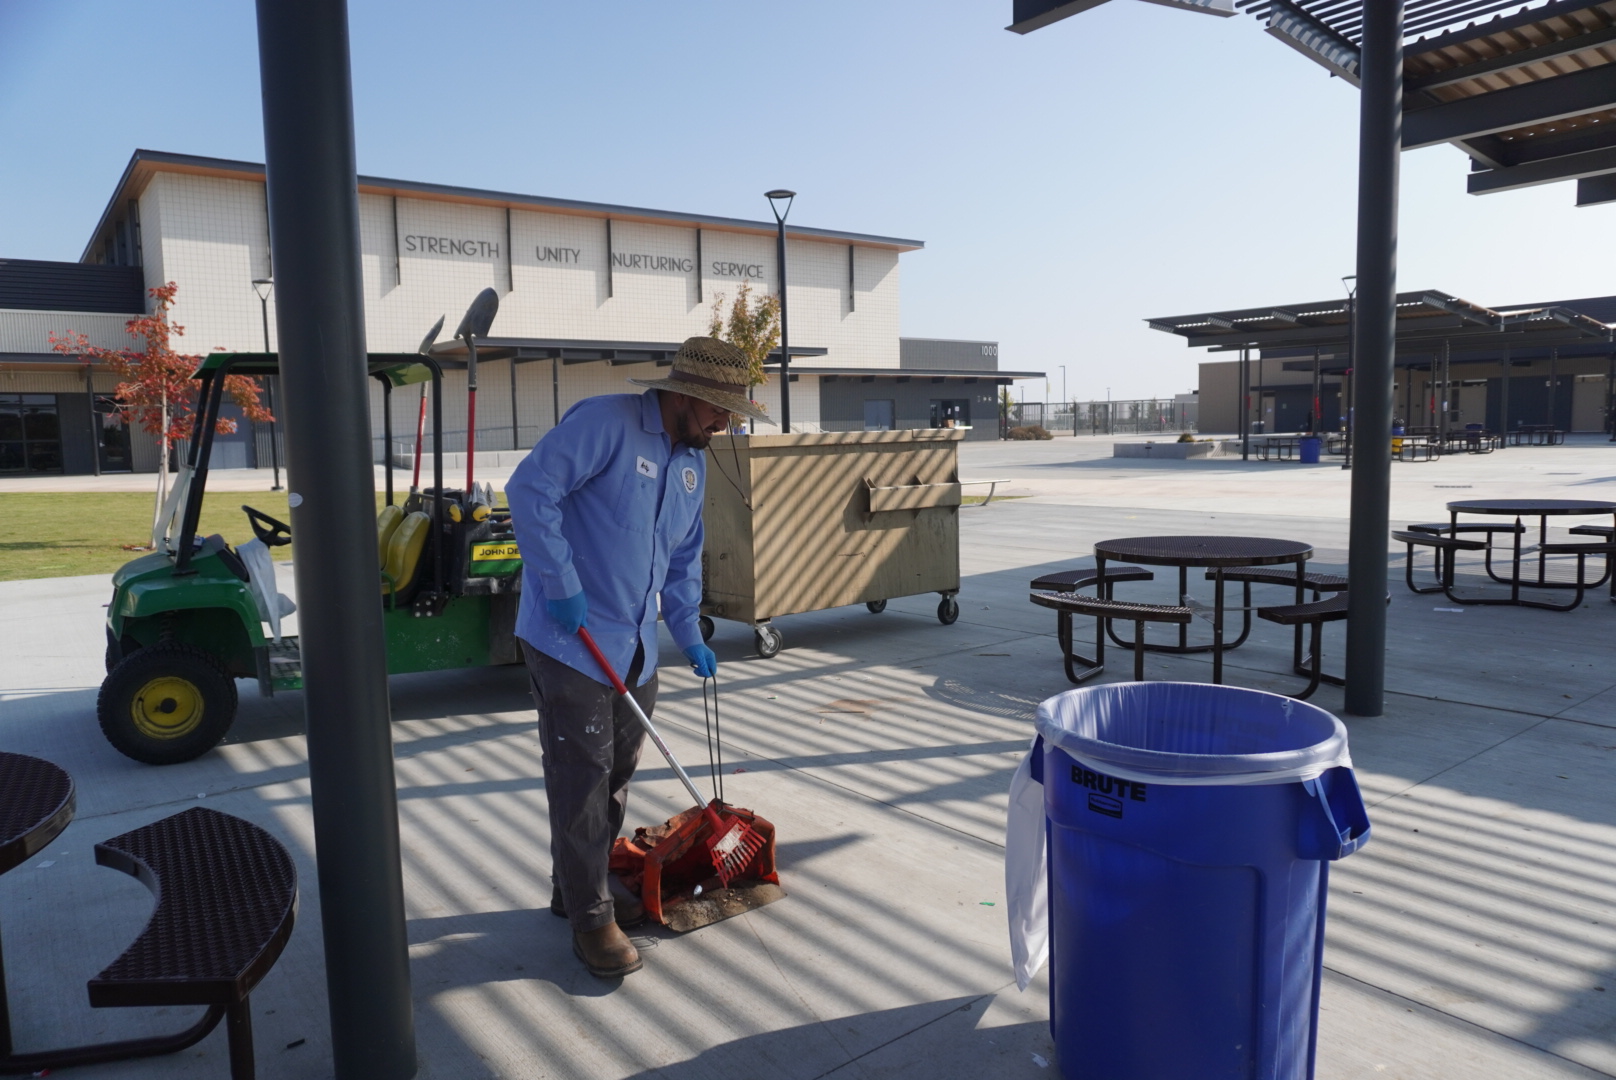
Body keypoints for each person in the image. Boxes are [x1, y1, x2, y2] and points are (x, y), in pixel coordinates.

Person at [506, 336, 774, 978]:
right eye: (718, 409)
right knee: (581, 780)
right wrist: (561, 582)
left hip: (633, 646)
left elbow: (682, 558)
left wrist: (691, 633)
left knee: (614, 777)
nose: (725, 423)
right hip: (570, 638)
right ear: (684, 395)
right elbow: (529, 491)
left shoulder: (691, 462)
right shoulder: (605, 424)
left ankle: (574, 887)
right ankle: (591, 921)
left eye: (733, 412)